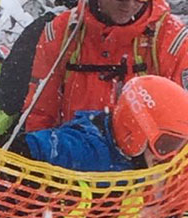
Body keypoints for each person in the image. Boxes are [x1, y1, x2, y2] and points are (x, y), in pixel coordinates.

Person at [23, 0, 188, 135]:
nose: (130, 1)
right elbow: (39, 116)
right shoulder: (62, 34)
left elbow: (182, 135)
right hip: (69, 163)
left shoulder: (172, 43)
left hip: (146, 166)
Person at [16, 74, 188, 172]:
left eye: (179, 146)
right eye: (166, 146)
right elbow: (33, 147)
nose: (170, 157)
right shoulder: (86, 148)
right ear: (134, 132)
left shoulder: (133, 163)